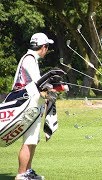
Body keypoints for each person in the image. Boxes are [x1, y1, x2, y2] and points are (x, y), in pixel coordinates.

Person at [13, 32, 54, 180]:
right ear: (43, 47)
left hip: (30, 104)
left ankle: (27, 171)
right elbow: (39, 84)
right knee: (30, 139)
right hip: (27, 104)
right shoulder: (30, 59)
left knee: (33, 139)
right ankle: (21, 173)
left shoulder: (30, 58)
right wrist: (49, 92)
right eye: (47, 47)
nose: (47, 50)